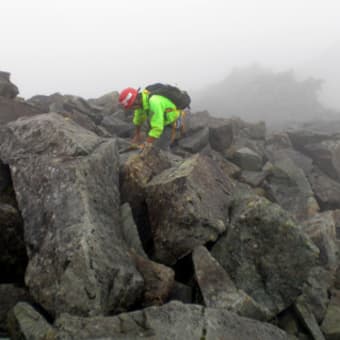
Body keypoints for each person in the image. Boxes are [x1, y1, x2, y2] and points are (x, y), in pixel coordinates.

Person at [118, 87, 185, 151]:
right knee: (151, 131)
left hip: (172, 119)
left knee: (160, 148)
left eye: (131, 107)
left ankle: (180, 124)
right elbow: (138, 119)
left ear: (136, 102)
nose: (131, 109)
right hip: (160, 117)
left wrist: (145, 145)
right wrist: (137, 135)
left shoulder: (154, 102)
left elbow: (157, 128)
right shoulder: (141, 102)